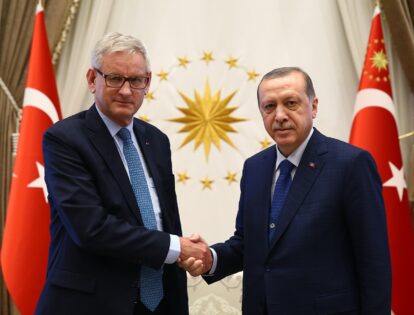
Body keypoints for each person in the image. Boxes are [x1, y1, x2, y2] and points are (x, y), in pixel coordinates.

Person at [180, 67, 392, 314]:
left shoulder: (350, 164)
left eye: (291, 103)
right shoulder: (255, 168)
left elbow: (373, 261)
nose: (279, 115)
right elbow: (248, 243)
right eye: (269, 107)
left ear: (313, 106)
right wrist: (210, 258)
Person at [35, 32, 211, 315]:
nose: (127, 91)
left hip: (159, 302)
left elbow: (163, 220)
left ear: (148, 82)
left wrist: (184, 253)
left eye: (136, 80)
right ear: (93, 80)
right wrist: (175, 247)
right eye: (115, 78)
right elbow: (92, 229)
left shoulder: (157, 140)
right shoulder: (64, 139)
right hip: (90, 304)